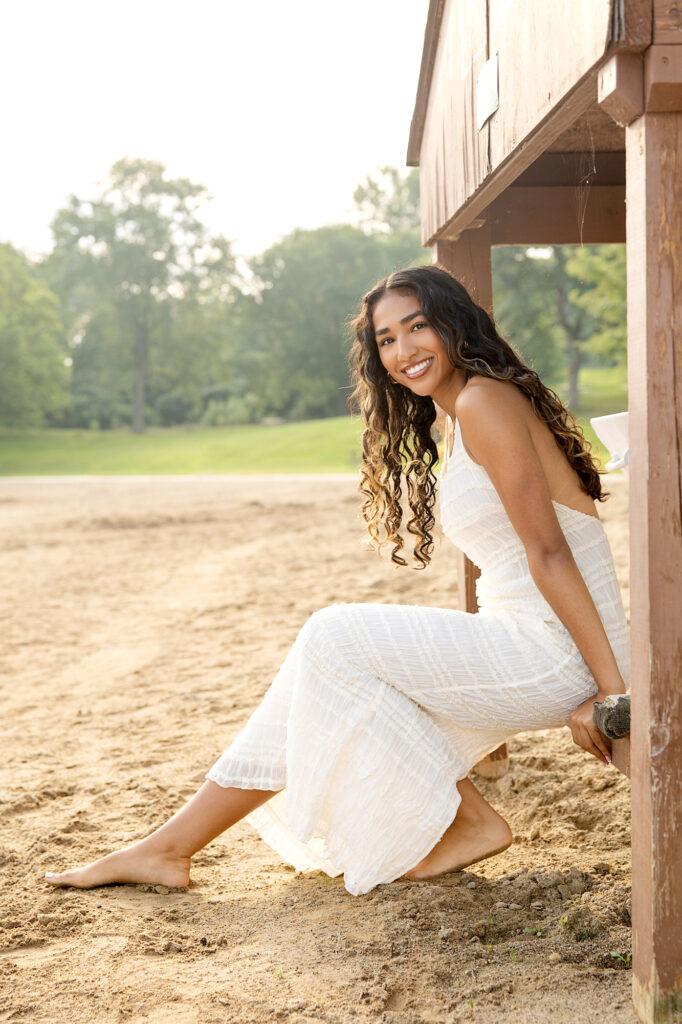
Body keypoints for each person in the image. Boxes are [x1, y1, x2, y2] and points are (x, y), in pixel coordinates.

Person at [45, 265, 629, 897]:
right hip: (530, 641)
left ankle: (467, 821)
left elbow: (551, 554)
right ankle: (169, 847)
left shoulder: (486, 402)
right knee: (320, 672)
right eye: (386, 340)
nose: (404, 351)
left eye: (418, 327)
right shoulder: (457, 415)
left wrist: (611, 690)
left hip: (556, 651)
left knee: (335, 637)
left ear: (454, 324)